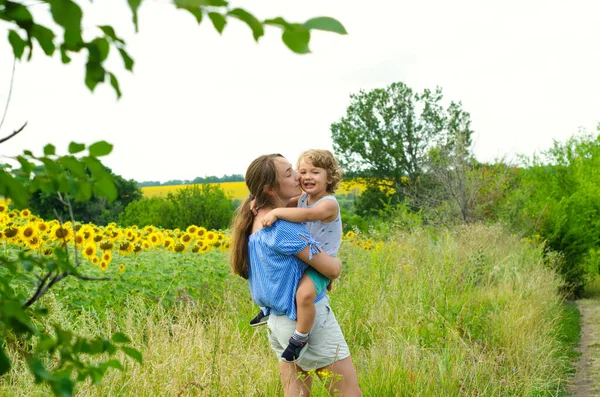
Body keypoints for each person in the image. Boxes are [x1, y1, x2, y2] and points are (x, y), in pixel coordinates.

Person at [230, 154, 362, 397]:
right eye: (290, 173)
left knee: (297, 394)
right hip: (304, 322)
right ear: (270, 189)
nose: (299, 177)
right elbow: (332, 270)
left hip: (277, 323)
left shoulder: (255, 219)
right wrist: (337, 263)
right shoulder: (282, 227)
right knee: (347, 393)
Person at [255, 149, 343, 362]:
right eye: (302, 171)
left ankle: (300, 337)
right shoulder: (302, 198)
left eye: (315, 172)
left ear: (329, 177)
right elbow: (280, 202)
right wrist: (257, 204)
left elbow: (308, 215)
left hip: (321, 261)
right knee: (279, 275)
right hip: (308, 258)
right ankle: (267, 308)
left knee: (304, 295)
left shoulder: (329, 203)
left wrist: (276, 214)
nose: (306, 177)